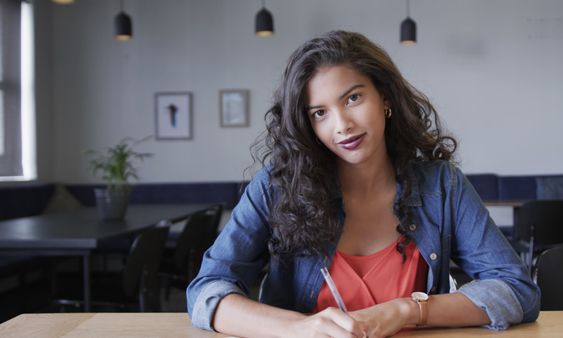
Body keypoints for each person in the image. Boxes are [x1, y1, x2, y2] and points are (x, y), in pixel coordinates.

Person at [187, 30, 540, 338]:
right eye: (319, 113)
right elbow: (206, 292)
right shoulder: (276, 188)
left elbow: (516, 291)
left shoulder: (441, 186)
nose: (341, 125)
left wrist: (409, 310)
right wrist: (296, 329)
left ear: (385, 98)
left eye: (353, 98)